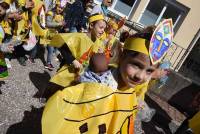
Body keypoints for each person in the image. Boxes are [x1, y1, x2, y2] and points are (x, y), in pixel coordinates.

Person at [42, 19, 174, 133]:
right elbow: (75, 113)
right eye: (136, 65)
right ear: (122, 56)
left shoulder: (130, 87)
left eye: (149, 71)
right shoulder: (100, 83)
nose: (140, 76)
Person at [41, 13, 106, 98]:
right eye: (101, 27)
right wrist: (73, 60)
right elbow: (63, 48)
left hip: (81, 75)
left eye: (104, 29)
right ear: (91, 25)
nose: (103, 31)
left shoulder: (99, 44)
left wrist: (100, 56)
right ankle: (45, 98)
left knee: (68, 94)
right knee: (57, 86)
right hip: (69, 69)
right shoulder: (79, 37)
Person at [44, 1, 65, 70]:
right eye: (59, 7)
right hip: (49, 34)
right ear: (56, 6)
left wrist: (63, 25)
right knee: (50, 50)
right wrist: (59, 24)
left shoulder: (62, 15)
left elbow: (60, 25)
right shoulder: (50, 13)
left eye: (62, 8)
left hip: (55, 35)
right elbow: (48, 24)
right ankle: (48, 63)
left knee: (52, 50)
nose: (60, 9)